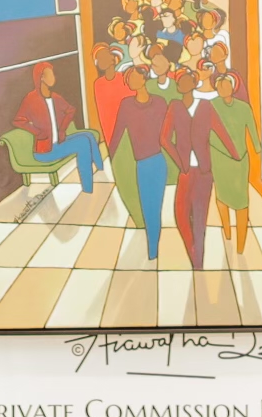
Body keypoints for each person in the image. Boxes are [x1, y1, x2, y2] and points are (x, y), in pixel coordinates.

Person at [162, 68, 237, 270]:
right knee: (180, 213)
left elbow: (220, 130)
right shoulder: (175, 106)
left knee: (200, 216)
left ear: (195, 84)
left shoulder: (205, 106)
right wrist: (180, 163)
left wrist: (235, 154)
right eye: (181, 82)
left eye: (188, 81)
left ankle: (198, 261)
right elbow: (165, 138)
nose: (184, 84)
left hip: (204, 171)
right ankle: (193, 250)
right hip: (186, 171)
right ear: (178, 86)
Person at [11, 59, 103, 193]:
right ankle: (87, 189)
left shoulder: (54, 97)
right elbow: (18, 120)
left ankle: (101, 169)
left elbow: (71, 110)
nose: (54, 77)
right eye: (50, 74)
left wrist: (62, 129)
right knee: (83, 143)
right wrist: (37, 132)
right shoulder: (31, 99)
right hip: (45, 151)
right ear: (41, 77)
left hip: (58, 143)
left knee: (88, 135)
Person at [111, 65, 172, 260]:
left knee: (156, 207)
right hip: (141, 165)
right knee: (148, 208)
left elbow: (171, 131)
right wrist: (111, 156)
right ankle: (152, 247)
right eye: (128, 78)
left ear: (144, 78)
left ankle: (153, 247)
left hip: (158, 162)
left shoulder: (160, 103)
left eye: (134, 77)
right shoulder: (126, 105)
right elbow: (118, 133)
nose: (130, 81)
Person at [209, 69, 260, 254]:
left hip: (240, 159)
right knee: (221, 195)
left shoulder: (243, 107)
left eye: (227, 84)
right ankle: (226, 230)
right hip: (218, 157)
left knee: (241, 201)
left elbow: (252, 130)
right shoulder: (211, 106)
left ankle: (241, 246)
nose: (224, 88)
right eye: (220, 86)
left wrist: (257, 148)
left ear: (233, 86)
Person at [90, 42, 129, 137]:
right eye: (97, 59)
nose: (99, 61)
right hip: (110, 129)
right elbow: (103, 114)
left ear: (113, 58)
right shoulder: (98, 84)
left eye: (103, 56)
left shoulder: (124, 78)